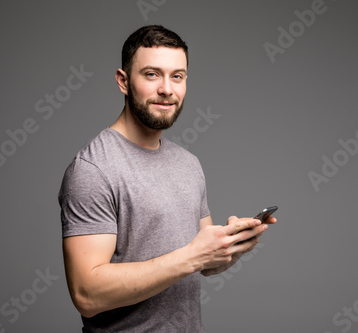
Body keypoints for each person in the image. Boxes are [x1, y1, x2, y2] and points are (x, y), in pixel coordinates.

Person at [58, 25, 277, 332]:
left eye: (177, 76)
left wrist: (230, 247)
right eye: (151, 74)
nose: (167, 89)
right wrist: (193, 255)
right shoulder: (93, 169)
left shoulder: (188, 164)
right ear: (123, 81)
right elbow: (87, 294)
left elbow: (202, 261)